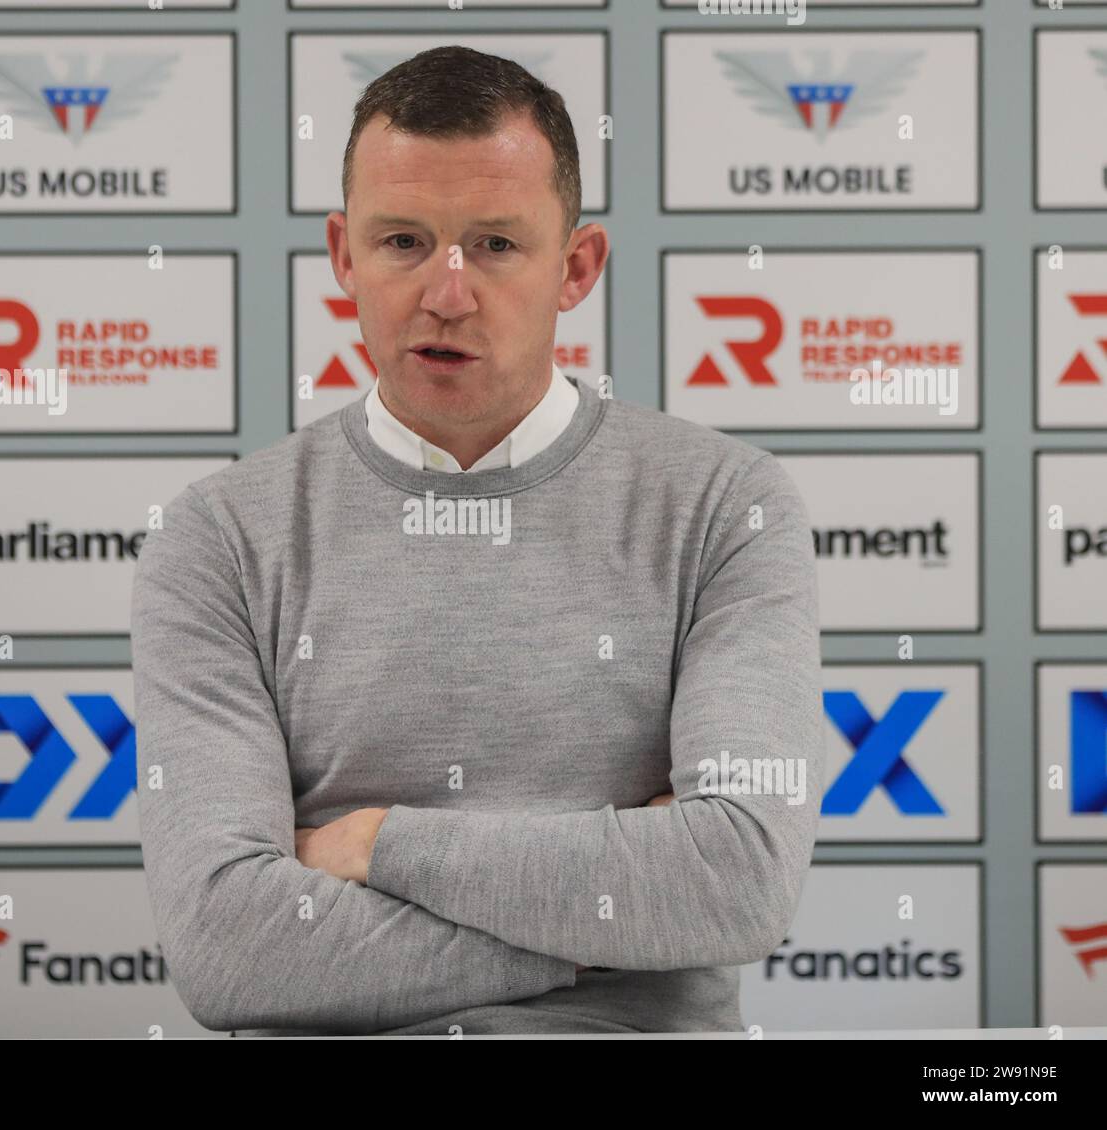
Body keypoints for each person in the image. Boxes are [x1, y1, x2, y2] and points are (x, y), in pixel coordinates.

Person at [130, 45, 824, 1036]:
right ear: (342, 254)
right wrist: (616, 923)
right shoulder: (218, 538)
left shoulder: (724, 505)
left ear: (574, 266)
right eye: (404, 240)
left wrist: (375, 845)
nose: (445, 292)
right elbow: (230, 945)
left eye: (494, 244)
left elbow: (738, 879)